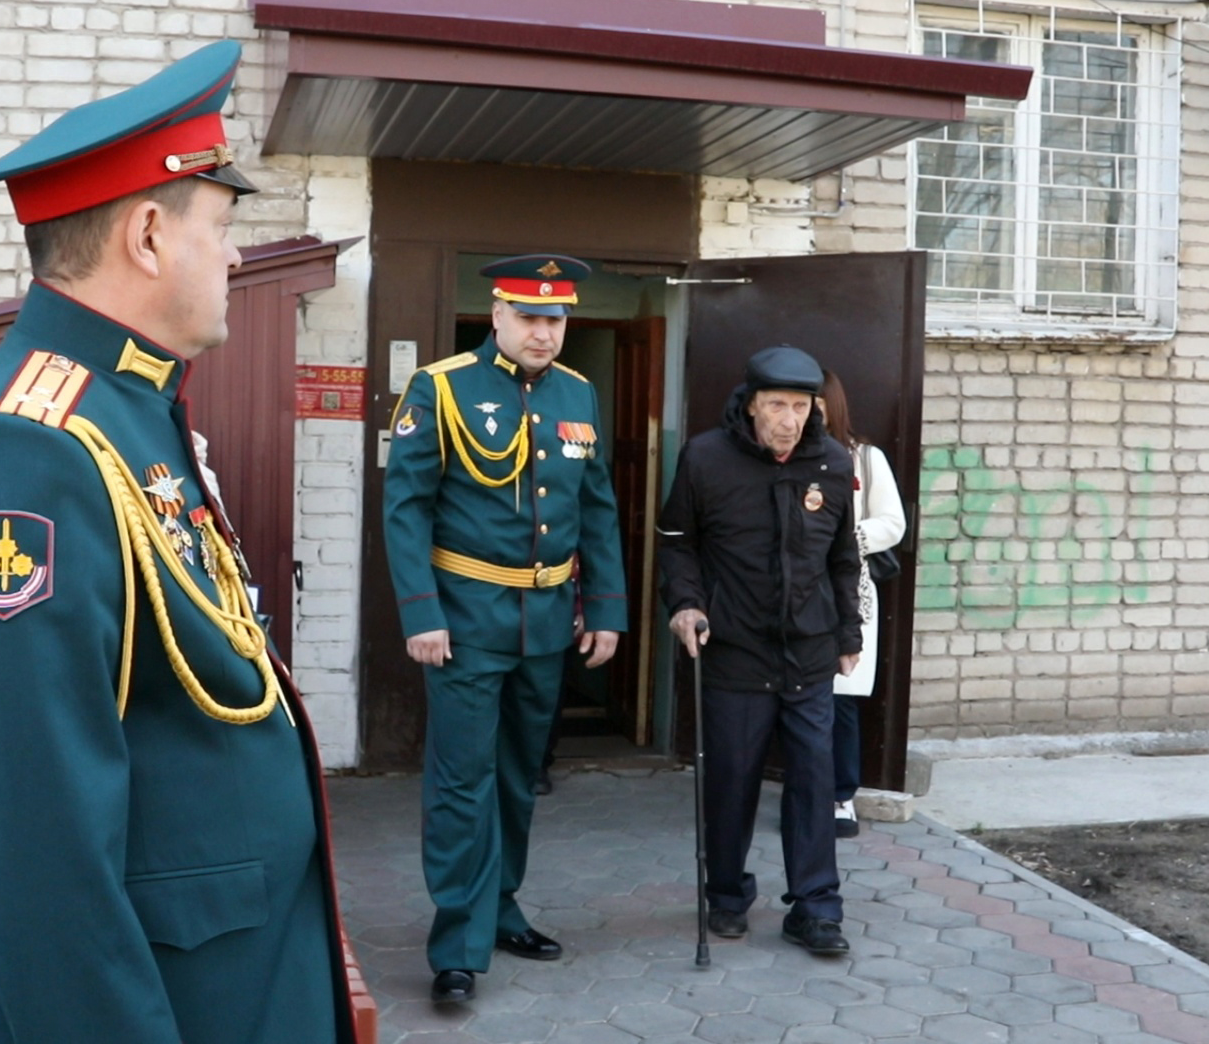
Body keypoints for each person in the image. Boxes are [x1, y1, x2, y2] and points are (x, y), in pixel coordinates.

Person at [0, 40, 357, 1044]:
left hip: (229, 979)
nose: (235, 255)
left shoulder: (128, 409)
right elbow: (35, 861)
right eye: (223, 226)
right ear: (148, 234)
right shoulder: (25, 458)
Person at [382, 254, 628, 1003]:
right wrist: (421, 614)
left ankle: (500, 906)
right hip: (464, 624)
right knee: (463, 781)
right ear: (497, 315)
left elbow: (597, 510)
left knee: (520, 779)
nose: (544, 333)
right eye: (529, 317)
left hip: (548, 625)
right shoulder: (444, 386)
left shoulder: (579, 394)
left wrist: (608, 610)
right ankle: (456, 944)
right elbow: (406, 508)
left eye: (555, 320)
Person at [656, 345, 861, 956]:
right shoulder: (705, 458)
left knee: (813, 780)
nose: (790, 419)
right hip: (735, 650)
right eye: (778, 405)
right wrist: (685, 604)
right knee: (731, 780)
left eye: (801, 407)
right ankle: (725, 894)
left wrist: (848, 634)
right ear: (750, 406)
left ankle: (817, 907)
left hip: (809, 651)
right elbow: (676, 543)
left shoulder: (829, 461)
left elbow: (844, 559)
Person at [819, 370, 906, 839]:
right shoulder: (780, 459)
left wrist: (840, 539)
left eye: (814, 402)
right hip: (793, 593)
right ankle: (804, 793)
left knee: (841, 698)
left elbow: (893, 524)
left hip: (850, 592)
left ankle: (839, 798)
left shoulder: (864, 459)